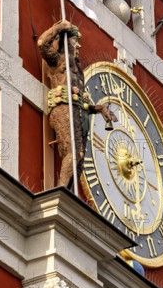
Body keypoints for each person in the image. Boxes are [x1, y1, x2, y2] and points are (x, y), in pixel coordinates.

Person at [38, 20, 117, 188]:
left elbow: (81, 101)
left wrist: (100, 108)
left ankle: (69, 192)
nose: (79, 46)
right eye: (76, 41)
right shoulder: (58, 60)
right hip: (63, 109)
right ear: (66, 41)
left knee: (79, 157)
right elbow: (42, 43)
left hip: (79, 113)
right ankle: (61, 189)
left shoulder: (78, 72)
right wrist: (59, 27)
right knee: (73, 152)